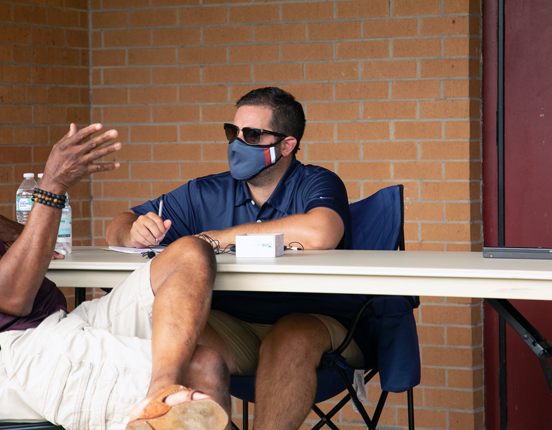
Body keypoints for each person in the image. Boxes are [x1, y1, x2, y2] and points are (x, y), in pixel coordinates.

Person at [0, 95, 229, 430]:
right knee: (203, 368)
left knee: (189, 252)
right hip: (11, 359)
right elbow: (13, 295)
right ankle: (162, 393)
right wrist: (53, 185)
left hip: (47, 330)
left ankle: (160, 387)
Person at [106, 87, 364, 430]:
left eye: (253, 134)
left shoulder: (316, 181)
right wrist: (135, 230)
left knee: (290, 337)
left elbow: (322, 231)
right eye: (233, 132)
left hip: (316, 324)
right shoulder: (204, 192)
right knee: (185, 349)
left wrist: (219, 238)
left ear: (286, 145)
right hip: (234, 324)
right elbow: (117, 226)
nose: (237, 143)